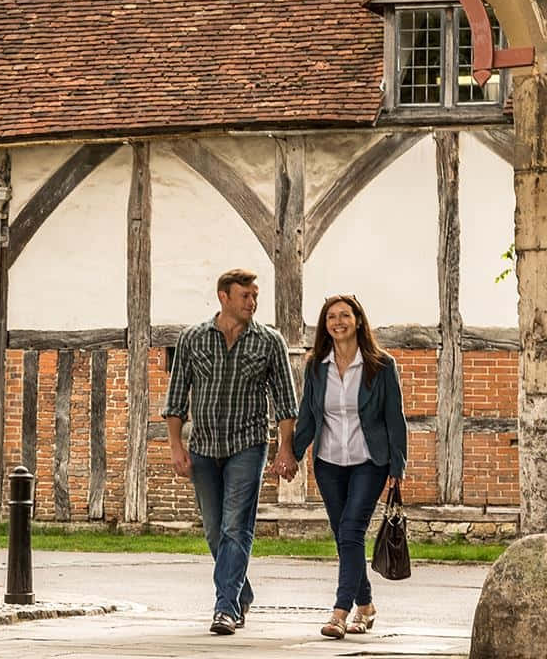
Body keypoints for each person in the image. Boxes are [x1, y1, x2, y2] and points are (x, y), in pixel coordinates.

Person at [162, 268, 299, 635]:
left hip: (248, 445)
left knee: (236, 526)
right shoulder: (193, 339)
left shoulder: (270, 342)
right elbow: (175, 399)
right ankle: (241, 593)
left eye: (255, 296)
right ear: (224, 297)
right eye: (245, 296)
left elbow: (286, 403)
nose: (252, 302)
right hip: (204, 447)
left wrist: (285, 449)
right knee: (213, 530)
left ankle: (225, 608)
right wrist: (176, 445)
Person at [273, 294, 407, 639]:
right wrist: (292, 453)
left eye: (345, 315)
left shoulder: (381, 365)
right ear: (325, 325)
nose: (338, 322)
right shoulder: (317, 366)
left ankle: (340, 613)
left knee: (350, 532)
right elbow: (308, 415)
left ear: (358, 321)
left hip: (369, 461)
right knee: (346, 537)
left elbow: (395, 419)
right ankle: (366, 607)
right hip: (329, 463)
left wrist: (397, 466)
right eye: (331, 317)